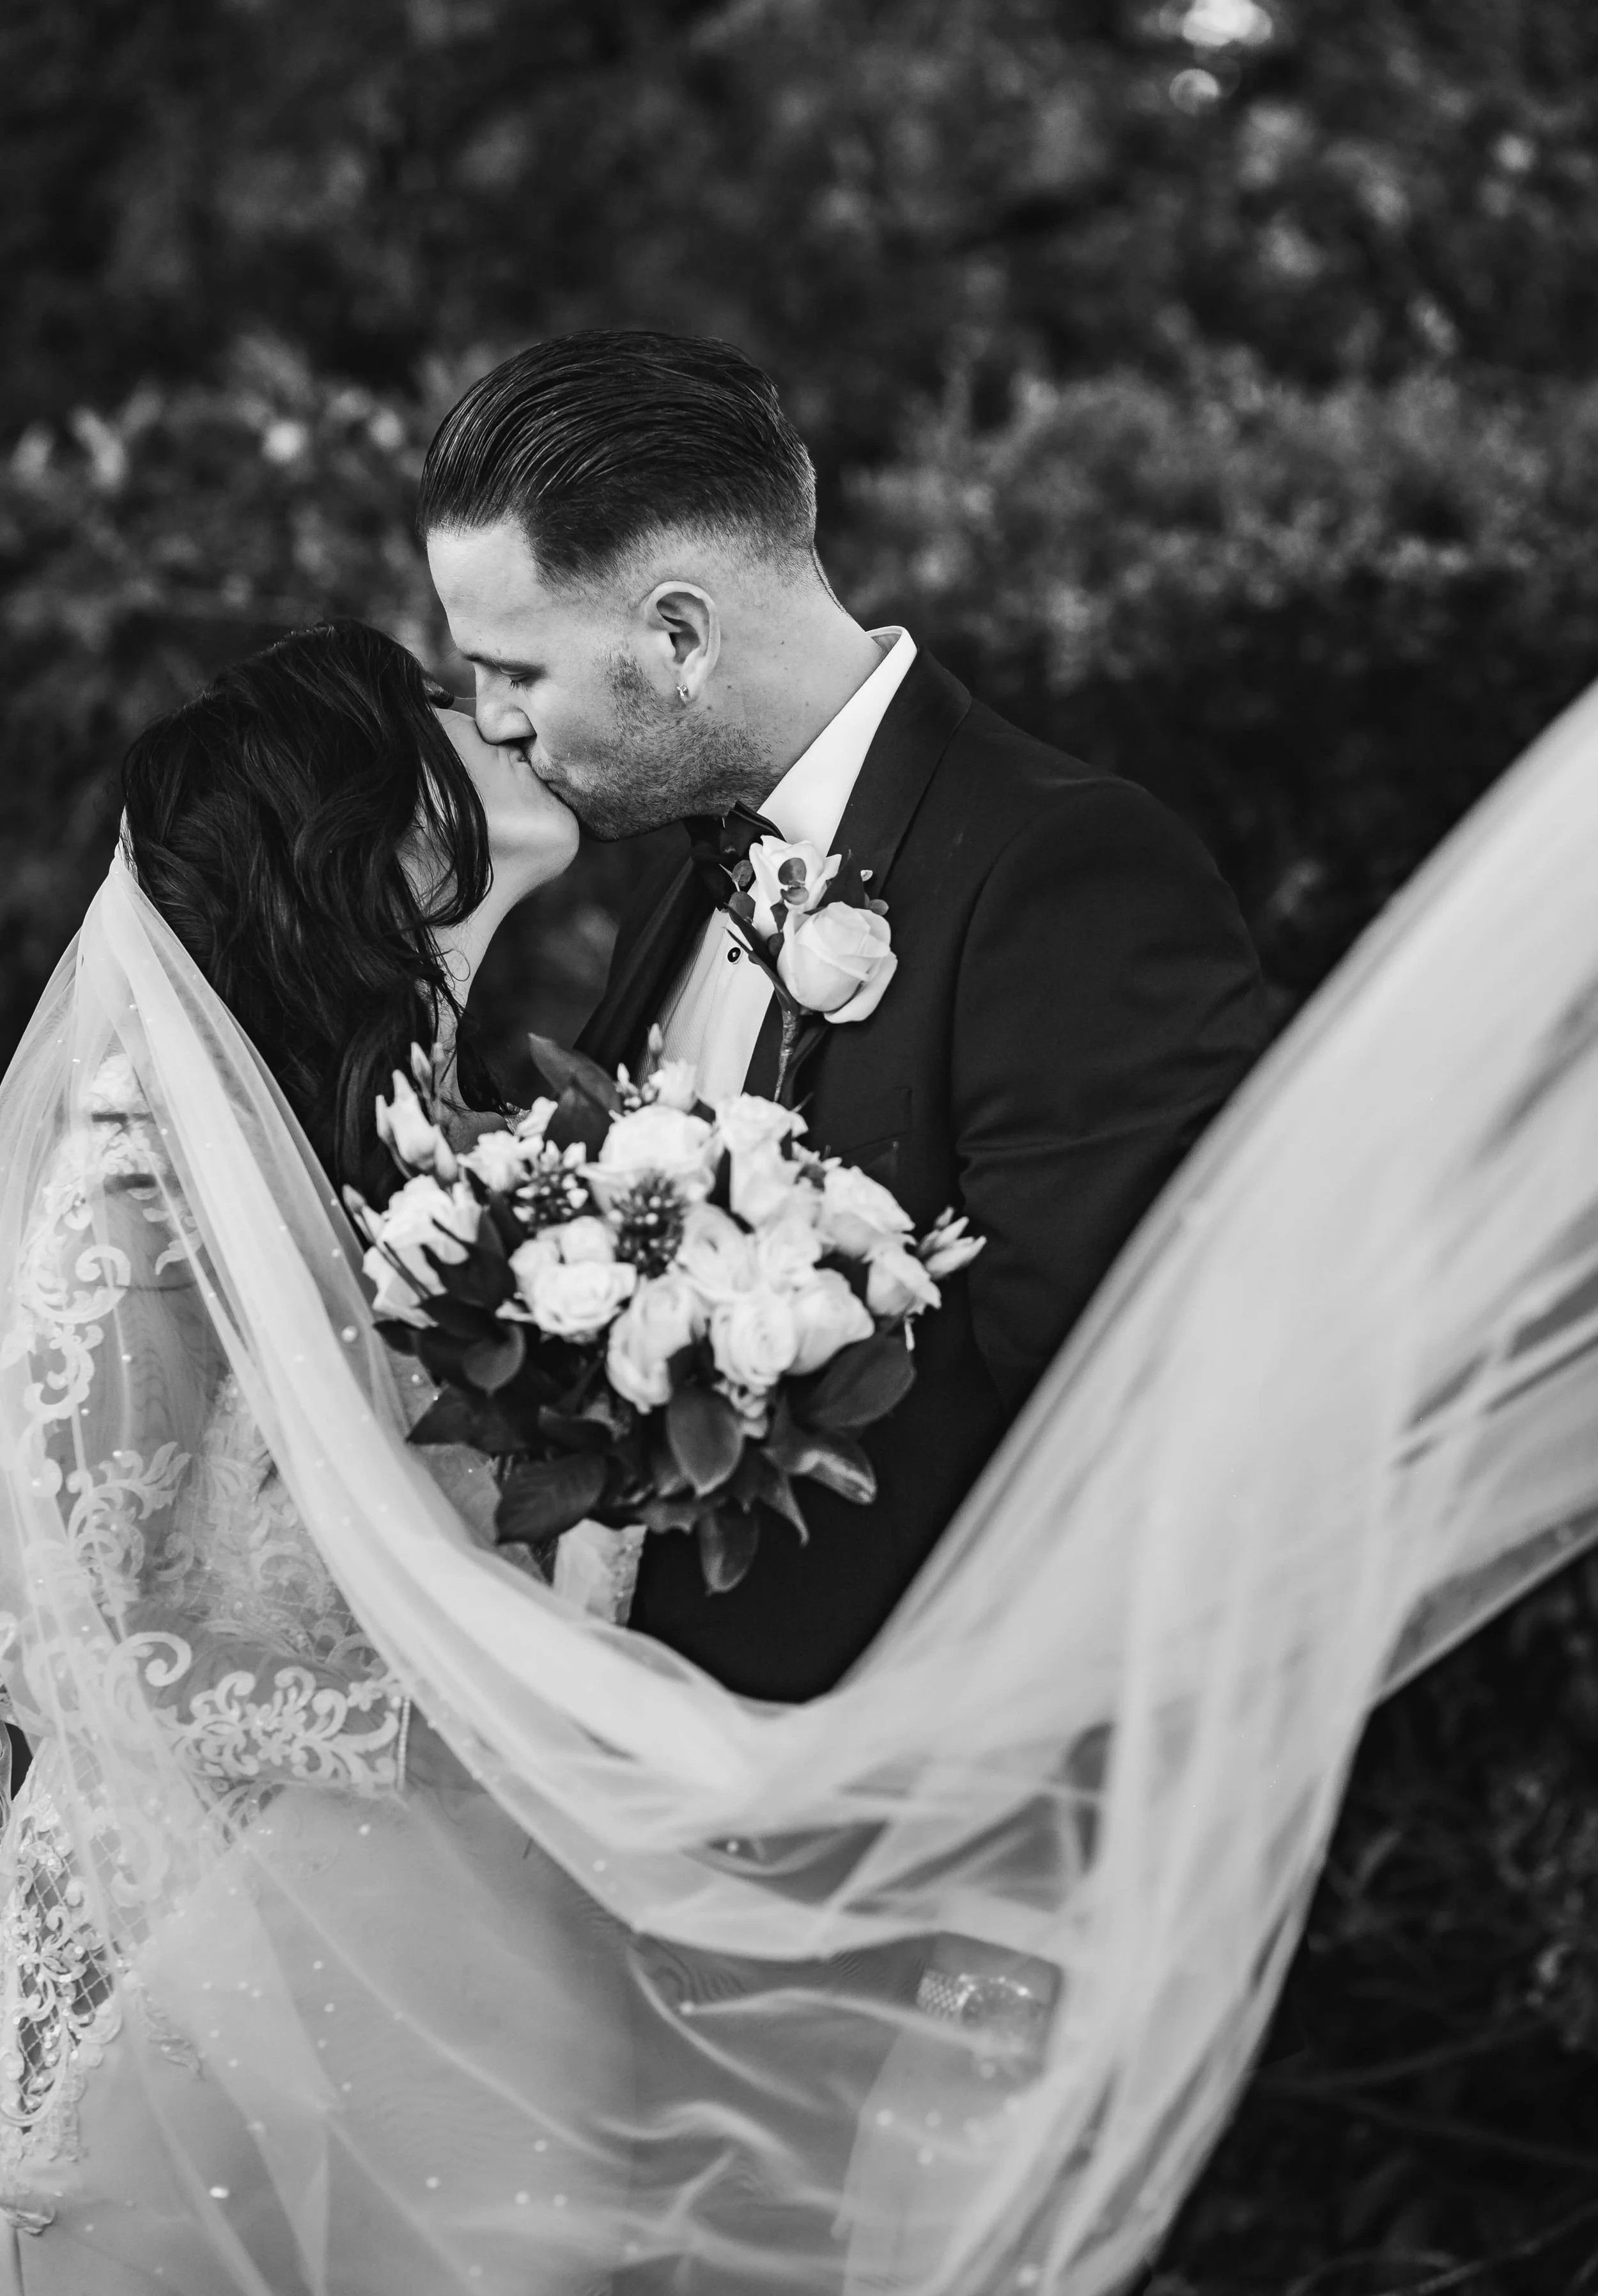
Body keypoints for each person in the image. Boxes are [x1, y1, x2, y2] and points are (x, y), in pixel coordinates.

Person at [419, 329, 1271, 1702]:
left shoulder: (1061, 876)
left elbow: (1131, 1437)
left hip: (903, 1807)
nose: (491, 719)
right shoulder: (682, 883)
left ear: (678, 635)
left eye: (515, 669)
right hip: (663, 1797)